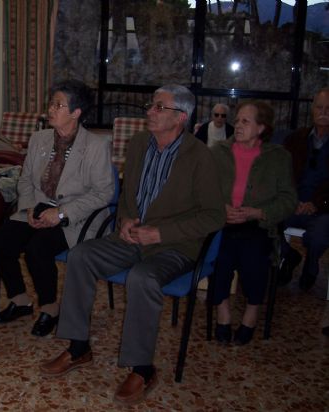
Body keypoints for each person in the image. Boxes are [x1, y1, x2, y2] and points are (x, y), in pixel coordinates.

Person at [39, 84, 225, 405]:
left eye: (158, 107)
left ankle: (142, 367)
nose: (149, 112)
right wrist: (125, 219)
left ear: (180, 117)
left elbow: (213, 216)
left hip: (174, 246)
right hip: (130, 237)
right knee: (80, 256)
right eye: (151, 106)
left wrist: (160, 234)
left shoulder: (200, 157)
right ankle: (78, 347)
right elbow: (125, 193)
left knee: (142, 276)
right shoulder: (139, 144)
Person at [0, 80, 114, 337]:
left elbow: (104, 193)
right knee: (1, 240)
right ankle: (20, 300)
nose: (50, 109)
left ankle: (50, 308)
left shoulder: (96, 145)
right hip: (37, 206)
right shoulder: (39, 139)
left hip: (76, 215)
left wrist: (60, 214)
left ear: (76, 112)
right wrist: (29, 209)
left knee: (38, 248)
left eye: (58, 105)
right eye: (51, 103)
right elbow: (25, 180)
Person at [210, 101, 297, 346]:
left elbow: (289, 200)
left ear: (261, 128)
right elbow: (202, 191)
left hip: (258, 223)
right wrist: (221, 208)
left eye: (245, 121)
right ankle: (223, 310)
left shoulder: (279, 158)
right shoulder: (218, 153)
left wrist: (258, 212)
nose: (237, 125)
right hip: (222, 222)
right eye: (237, 120)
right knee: (220, 253)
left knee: (254, 254)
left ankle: (251, 312)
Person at [279, 87, 329, 291]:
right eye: (320, 107)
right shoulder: (295, 139)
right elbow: (281, 174)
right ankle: (289, 256)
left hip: (323, 209)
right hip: (293, 202)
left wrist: (316, 204)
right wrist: (293, 200)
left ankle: (311, 266)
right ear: (312, 109)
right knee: (265, 221)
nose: (324, 112)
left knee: (318, 237)